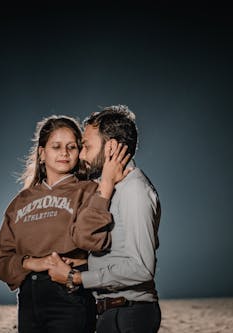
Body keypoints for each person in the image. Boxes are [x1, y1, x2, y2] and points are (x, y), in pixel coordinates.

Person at [0, 115, 131, 333]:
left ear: (79, 152)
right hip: (29, 300)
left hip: (70, 295)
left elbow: (95, 241)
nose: (64, 153)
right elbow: (0, 263)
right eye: (56, 146)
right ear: (41, 153)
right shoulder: (20, 202)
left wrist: (105, 185)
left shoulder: (89, 190)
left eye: (72, 147)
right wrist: (34, 263)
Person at [48, 105, 162, 333]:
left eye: (87, 147)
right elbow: (118, 253)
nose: (81, 155)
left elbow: (141, 268)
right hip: (114, 313)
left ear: (110, 147)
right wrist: (82, 263)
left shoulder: (134, 190)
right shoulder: (114, 188)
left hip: (129, 314)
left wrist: (76, 277)